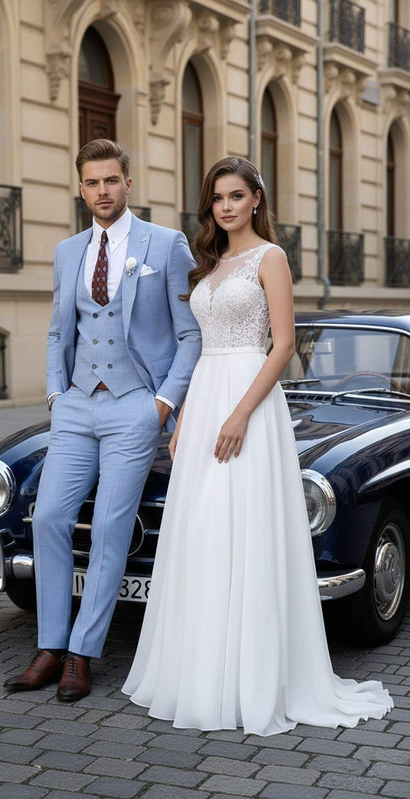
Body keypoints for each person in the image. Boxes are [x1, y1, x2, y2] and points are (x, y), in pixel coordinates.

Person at [122, 156, 393, 735]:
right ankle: (199, 670)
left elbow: (284, 344)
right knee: (200, 530)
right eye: (218, 197)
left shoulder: (271, 258)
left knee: (242, 526)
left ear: (256, 201)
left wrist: (241, 411)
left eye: (236, 195)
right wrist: (190, 406)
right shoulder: (210, 263)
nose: (226, 206)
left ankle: (251, 676)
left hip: (250, 398)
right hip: (205, 399)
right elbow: (196, 341)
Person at [4, 139, 201, 701]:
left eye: (111, 180)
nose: (102, 192)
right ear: (81, 187)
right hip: (75, 406)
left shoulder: (165, 245)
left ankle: (81, 656)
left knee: (113, 526)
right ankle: (48, 646)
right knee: (48, 519)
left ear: (128, 183)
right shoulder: (69, 251)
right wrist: (53, 393)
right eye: (91, 183)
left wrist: (162, 404)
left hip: (133, 407)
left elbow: (190, 334)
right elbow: (56, 330)